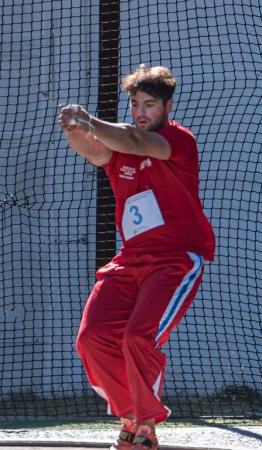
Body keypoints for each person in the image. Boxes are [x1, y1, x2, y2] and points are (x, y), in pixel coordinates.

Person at [57, 64, 215, 450]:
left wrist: (89, 120)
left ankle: (145, 426)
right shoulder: (121, 151)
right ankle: (129, 414)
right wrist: (74, 129)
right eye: (135, 104)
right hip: (129, 261)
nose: (142, 112)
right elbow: (95, 151)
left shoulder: (177, 141)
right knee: (93, 338)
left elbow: (135, 142)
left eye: (150, 104)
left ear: (167, 107)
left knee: (137, 337)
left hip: (175, 261)